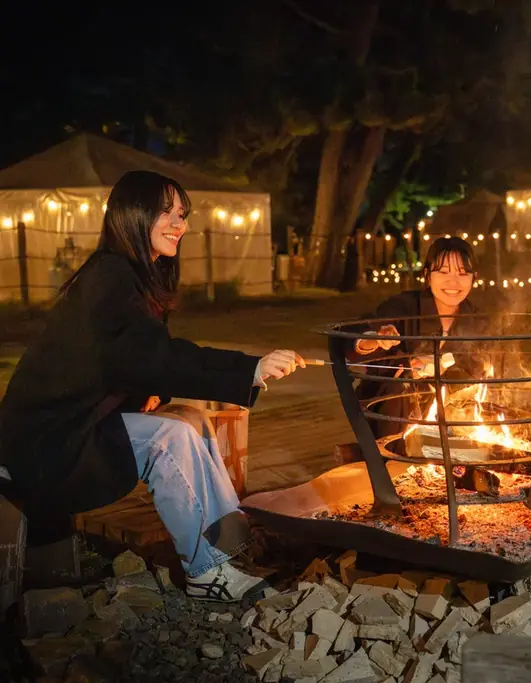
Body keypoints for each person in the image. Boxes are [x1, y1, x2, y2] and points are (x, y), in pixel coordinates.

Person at [0, 170, 304, 603]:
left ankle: (228, 547)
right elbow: (154, 357)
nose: (181, 224)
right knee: (169, 437)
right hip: (48, 445)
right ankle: (206, 571)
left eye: (182, 214)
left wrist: (145, 392)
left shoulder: (130, 277)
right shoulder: (109, 275)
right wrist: (249, 369)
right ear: (133, 214)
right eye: (167, 213)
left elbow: (125, 360)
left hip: (75, 429)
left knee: (192, 420)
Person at [331, 236, 490, 443]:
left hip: (455, 416)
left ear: (473, 278)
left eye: (462, 273)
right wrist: (378, 339)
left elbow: (481, 365)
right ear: (427, 275)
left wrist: (441, 365)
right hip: (398, 412)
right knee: (401, 388)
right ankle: (394, 456)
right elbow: (362, 332)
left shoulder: (476, 319)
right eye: (443, 272)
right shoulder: (404, 307)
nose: (453, 282)